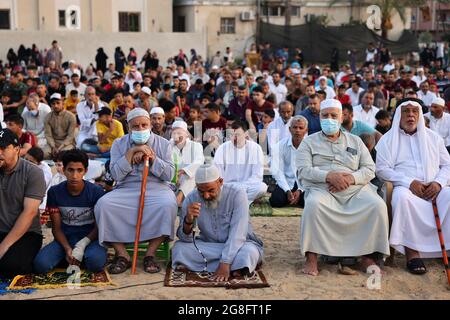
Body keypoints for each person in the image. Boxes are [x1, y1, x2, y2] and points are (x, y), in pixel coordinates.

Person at [296, 99, 390, 276]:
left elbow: (369, 169)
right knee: (313, 205)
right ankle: (311, 257)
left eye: (333, 116)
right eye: (325, 116)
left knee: (376, 205)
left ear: (341, 118)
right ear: (320, 117)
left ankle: (368, 257)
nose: (329, 119)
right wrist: (328, 176)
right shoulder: (308, 142)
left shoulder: (355, 141)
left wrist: (351, 178)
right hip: (322, 188)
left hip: (355, 188)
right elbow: (303, 170)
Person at [94, 108, 177, 274]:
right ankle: (123, 255)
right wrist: (130, 154)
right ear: (128, 127)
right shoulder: (119, 144)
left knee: (168, 204)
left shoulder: (164, 144)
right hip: (126, 188)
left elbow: (169, 174)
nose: (140, 129)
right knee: (103, 205)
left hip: (157, 188)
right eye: (136, 126)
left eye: (144, 125)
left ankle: (150, 254)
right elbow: (115, 174)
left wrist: (152, 158)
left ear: (150, 125)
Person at [376, 99, 450, 274]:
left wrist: (438, 183)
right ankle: (412, 252)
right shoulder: (388, 139)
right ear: (398, 116)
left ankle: (446, 249)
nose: (410, 115)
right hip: (404, 186)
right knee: (401, 198)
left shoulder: (434, 138)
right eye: (406, 111)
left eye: (415, 111)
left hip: (433, 186)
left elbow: (447, 165)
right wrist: (409, 182)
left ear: (419, 115)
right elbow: (381, 169)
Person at [171, 164, 264, 280]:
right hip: (209, 245)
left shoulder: (237, 194)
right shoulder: (191, 198)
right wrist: (188, 221)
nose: (206, 195)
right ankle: (237, 268)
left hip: (240, 245)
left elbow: (238, 234)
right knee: (179, 249)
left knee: (249, 252)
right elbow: (185, 239)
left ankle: (229, 265)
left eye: (211, 190)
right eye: (201, 191)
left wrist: (225, 262)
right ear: (196, 186)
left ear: (220, 182)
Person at [33, 149, 107, 274]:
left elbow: (99, 226)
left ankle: (82, 256)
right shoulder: (54, 192)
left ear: (86, 171)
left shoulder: (96, 192)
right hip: (64, 240)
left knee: (95, 264)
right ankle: (71, 256)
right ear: (64, 170)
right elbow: (56, 228)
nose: (74, 175)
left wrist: (82, 245)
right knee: (40, 265)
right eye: (70, 170)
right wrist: (67, 248)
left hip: (90, 240)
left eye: (79, 170)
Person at [0, 128, 46, 277]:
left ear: (17, 149)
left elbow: (30, 213)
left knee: (12, 267)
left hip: (26, 234)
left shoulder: (33, 173)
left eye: (3, 148)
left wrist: (3, 247)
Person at [213, 120, 267, 203]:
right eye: (231, 135)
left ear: (246, 134)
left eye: (237, 135)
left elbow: (257, 176)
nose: (234, 138)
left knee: (262, 187)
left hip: (247, 186)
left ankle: (235, 201)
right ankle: (244, 201)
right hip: (227, 186)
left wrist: (241, 187)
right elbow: (218, 173)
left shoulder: (255, 148)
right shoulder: (222, 148)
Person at [269, 116, 308, 208]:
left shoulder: (311, 147)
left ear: (306, 131)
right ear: (290, 129)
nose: (297, 130)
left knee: (308, 202)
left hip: (305, 183)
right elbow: (277, 171)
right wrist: (287, 190)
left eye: (301, 128)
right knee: (276, 201)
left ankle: (296, 198)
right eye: (295, 127)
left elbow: (311, 171)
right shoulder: (279, 146)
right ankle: (291, 197)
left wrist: (300, 190)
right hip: (286, 181)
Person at [170, 120, 204, 207]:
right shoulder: (168, 145)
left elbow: (199, 161)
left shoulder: (196, 145)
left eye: (179, 133)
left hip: (188, 178)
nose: (176, 135)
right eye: (174, 133)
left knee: (191, 176)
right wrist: (174, 175)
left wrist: (182, 171)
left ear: (186, 134)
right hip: (171, 178)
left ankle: (179, 198)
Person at [44, 93, 76, 159]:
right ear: (51, 105)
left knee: (63, 155)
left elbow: (70, 136)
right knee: (44, 154)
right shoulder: (48, 117)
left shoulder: (71, 116)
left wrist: (60, 148)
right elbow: (48, 135)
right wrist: (53, 147)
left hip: (67, 143)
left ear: (63, 103)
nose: (56, 106)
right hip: (52, 143)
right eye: (53, 104)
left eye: (58, 103)